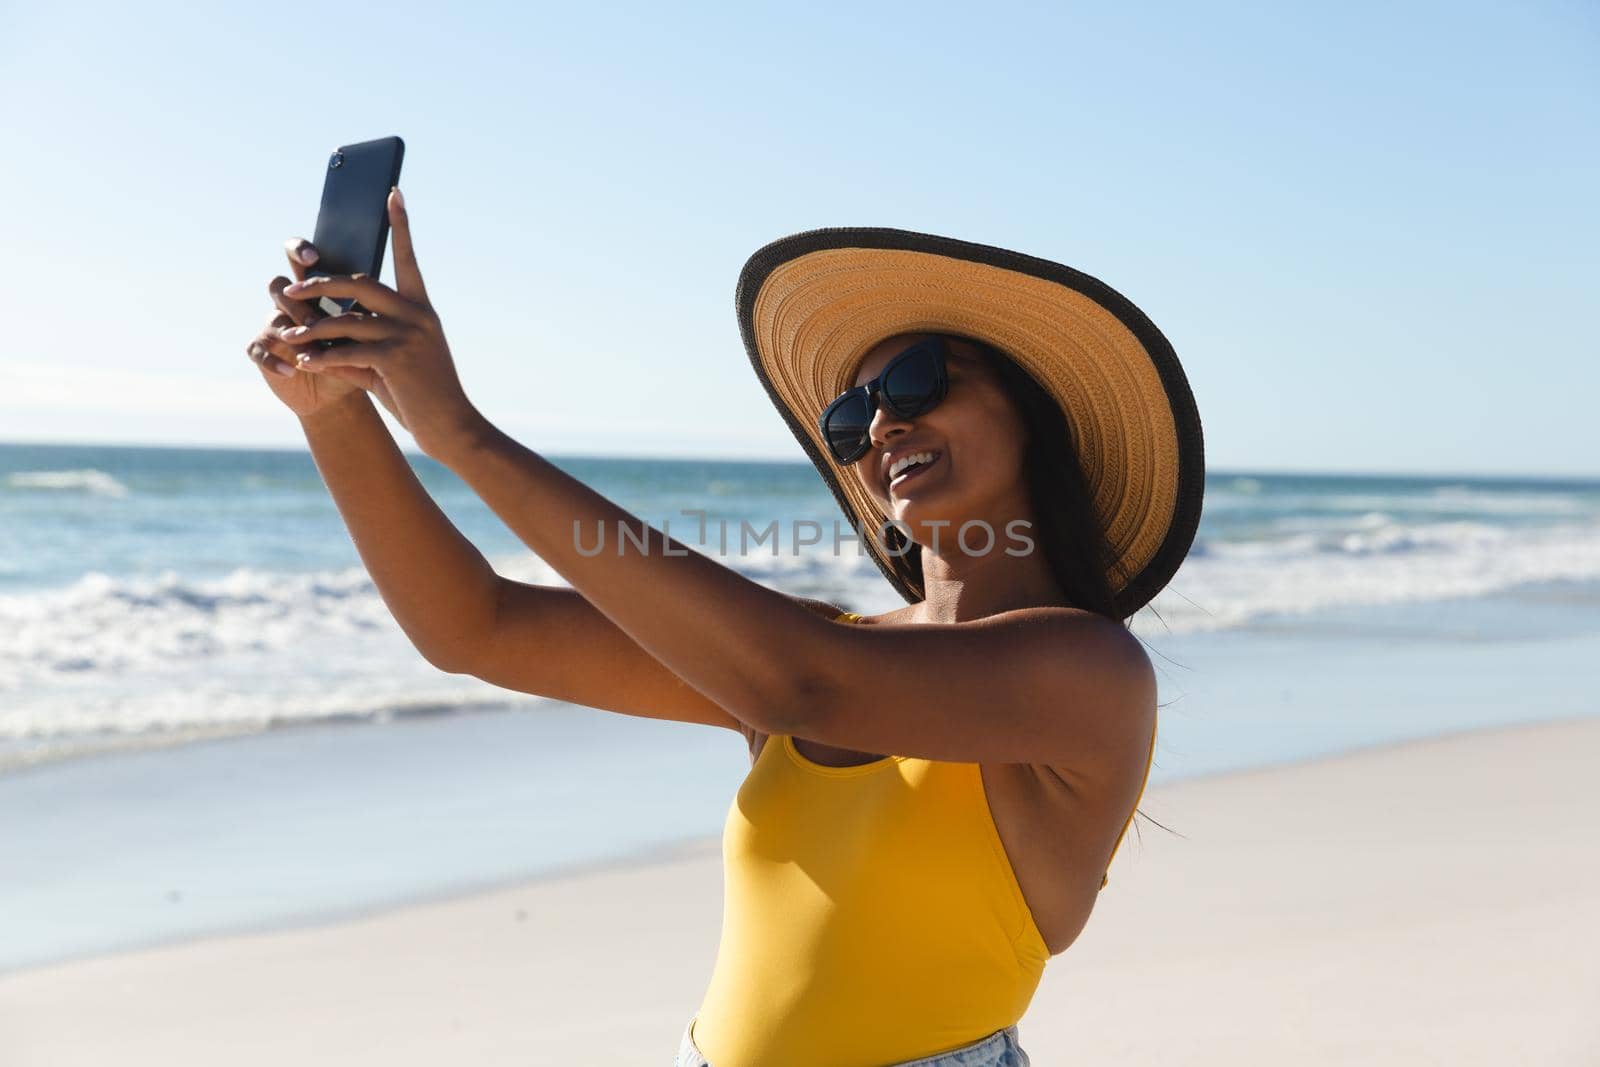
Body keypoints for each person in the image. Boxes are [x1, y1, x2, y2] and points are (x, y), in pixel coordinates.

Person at [244, 194, 1205, 1067]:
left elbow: (807, 686)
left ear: (1031, 408)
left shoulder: (1087, 670)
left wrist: (459, 430)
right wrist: (336, 415)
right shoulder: (814, 647)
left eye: (914, 383)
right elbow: (479, 627)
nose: (879, 427)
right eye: (850, 412)